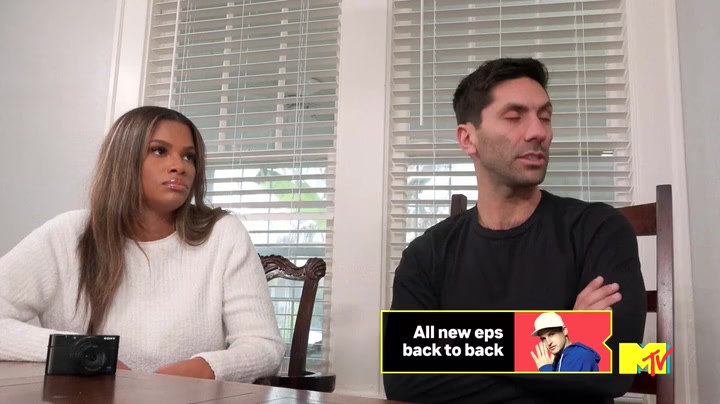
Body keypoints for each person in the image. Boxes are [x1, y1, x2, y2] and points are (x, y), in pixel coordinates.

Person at [383, 58, 647, 403]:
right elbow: (403, 381)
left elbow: (621, 364)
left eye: (545, 117)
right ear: (468, 138)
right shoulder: (426, 254)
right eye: (514, 116)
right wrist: (568, 337)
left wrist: (455, 347)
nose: (538, 132)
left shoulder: (599, 228)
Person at [0, 106, 285, 383]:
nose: (180, 166)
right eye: (159, 151)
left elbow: (263, 345)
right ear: (123, 158)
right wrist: (88, 354)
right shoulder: (68, 233)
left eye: (189, 157)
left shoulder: (222, 233)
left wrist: (201, 371)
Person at [530, 312, 600, 372]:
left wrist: (546, 369)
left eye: (551, 334)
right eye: (543, 338)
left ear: (564, 331)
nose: (548, 343)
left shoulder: (579, 356)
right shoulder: (558, 360)